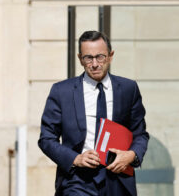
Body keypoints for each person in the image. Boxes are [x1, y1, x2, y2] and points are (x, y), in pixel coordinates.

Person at [38, 30, 149, 196]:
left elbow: (140, 134)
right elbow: (46, 139)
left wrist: (131, 156)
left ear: (110, 56)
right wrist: (75, 159)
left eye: (100, 57)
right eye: (88, 58)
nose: (95, 63)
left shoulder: (128, 89)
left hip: (117, 178)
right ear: (80, 59)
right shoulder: (62, 91)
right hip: (77, 180)